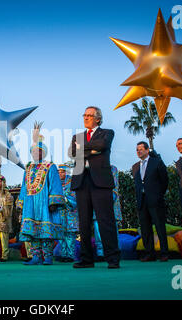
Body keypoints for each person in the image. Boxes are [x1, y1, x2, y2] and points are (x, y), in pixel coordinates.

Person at [68, 106, 120, 269]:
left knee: (106, 221)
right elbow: (72, 153)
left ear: (98, 118)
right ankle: (86, 259)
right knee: (83, 223)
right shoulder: (77, 136)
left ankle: (112, 258)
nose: (86, 117)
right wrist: (92, 150)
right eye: (84, 115)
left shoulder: (107, 133)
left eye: (89, 115)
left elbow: (103, 145)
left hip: (101, 182)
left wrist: (83, 148)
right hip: (81, 181)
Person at [16, 122, 65, 265]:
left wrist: (53, 202)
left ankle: (48, 257)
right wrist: (21, 201)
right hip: (31, 203)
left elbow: (55, 184)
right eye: (33, 151)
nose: (35, 153)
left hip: (44, 203)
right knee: (32, 231)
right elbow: (25, 186)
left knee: (45, 230)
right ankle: (36, 257)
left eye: (38, 151)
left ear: (43, 153)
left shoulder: (50, 166)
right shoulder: (28, 167)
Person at [132, 141, 169, 262]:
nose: (139, 151)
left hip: (155, 200)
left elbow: (164, 180)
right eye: (137, 149)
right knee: (145, 228)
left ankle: (164, 253)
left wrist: (158, 195)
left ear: (147, 150)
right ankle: (149, 253)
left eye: (141, 149)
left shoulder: (157, 162)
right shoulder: (135, 167)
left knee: (159, 226)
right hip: (142, 201)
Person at [93, 164, 122, 260]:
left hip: (110, 204)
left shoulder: (112, 168)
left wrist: (106, 200)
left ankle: (114, 252)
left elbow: (115, 187)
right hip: (96, 205)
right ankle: (100, 253)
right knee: (98, 230)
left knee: (112, 229)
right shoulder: (91, 169)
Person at [57, 164, 79, 262]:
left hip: (70, 212)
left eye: (62, 171)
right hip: (60, 212)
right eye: (58, 172)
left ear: (66, 172)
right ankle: (63, 254)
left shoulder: (72, 182)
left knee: (70, 234)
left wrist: (66, 199)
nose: (60, 173)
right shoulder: (55, 184)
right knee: (61, 234)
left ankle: (70, 255)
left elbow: (75, 196)